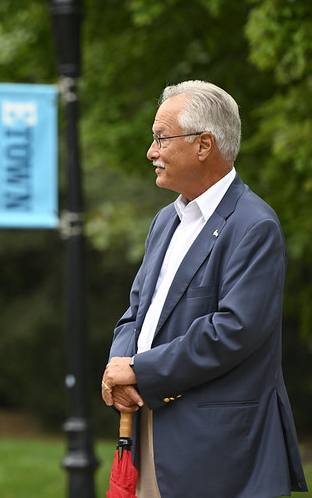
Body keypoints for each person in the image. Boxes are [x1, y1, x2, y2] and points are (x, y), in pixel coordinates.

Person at [101, 80, 308, 498]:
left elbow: (234, 330)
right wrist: (118, 366)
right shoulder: (165, 220)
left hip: (219, 452)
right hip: (150, 430)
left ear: (204, 145)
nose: (151, 152)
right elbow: (137, 310)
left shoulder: (254, 225)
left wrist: (140, 371)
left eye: (161, 138)